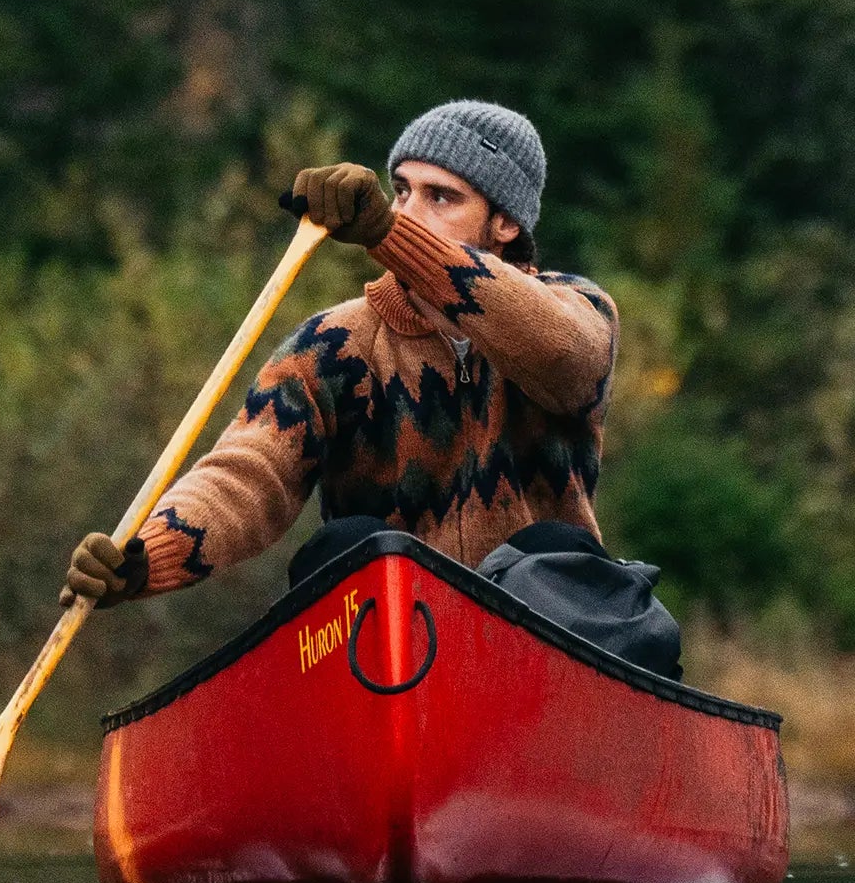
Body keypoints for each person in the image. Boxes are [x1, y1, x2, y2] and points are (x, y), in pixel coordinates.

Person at [61, 101, 623, 614]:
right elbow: (246, 474)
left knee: (556, 551)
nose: (408, 212)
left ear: (505, 223)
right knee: (346, 547)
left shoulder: (578, 310)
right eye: (401, 192)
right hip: (387, 642)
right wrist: (148, 554)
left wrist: (386, 232)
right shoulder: (334, 345)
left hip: (537, 638)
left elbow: (563, 356)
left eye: (441, 197)